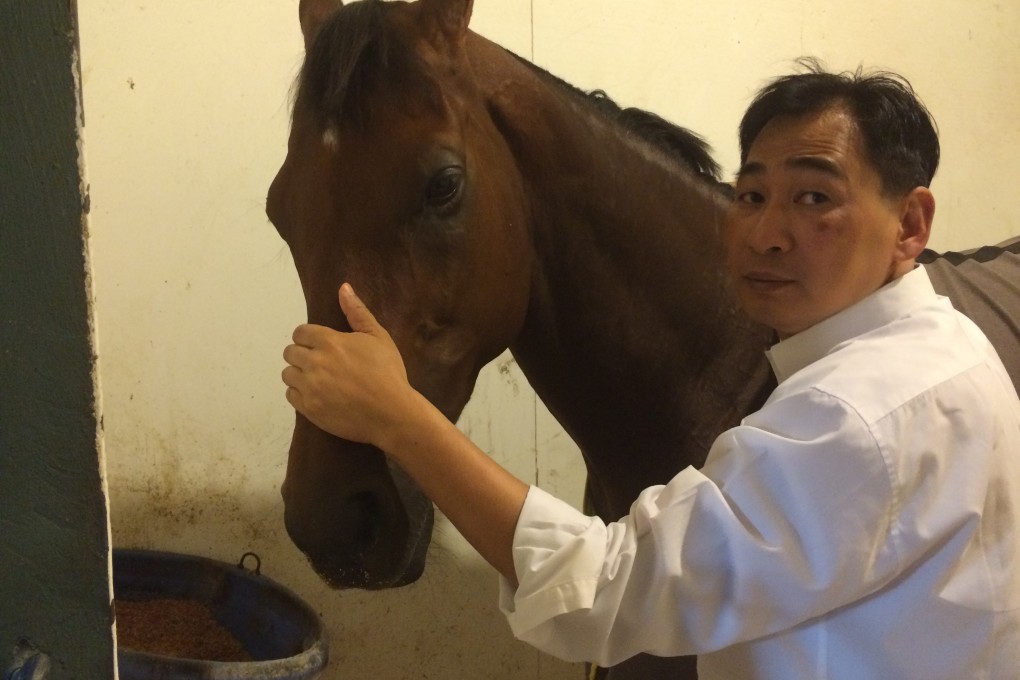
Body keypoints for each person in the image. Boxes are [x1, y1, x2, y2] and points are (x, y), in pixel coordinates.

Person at [281, 63, 1020, 679]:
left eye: (814, 199)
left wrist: (400, 417)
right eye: (751, 195)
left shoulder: (859, 416)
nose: (765, 234)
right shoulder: (939, 348)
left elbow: (609, 594)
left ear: (911, 227)